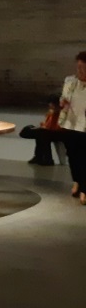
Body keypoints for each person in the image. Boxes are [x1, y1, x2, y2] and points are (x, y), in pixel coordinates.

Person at [58, 52, 86, 205]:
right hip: (70, 124)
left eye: (84, 68)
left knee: (84, 158)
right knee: (73, 156)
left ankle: (84, 189)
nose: (80, 71)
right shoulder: (70, 81)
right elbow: (63, 98)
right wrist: (62, 103)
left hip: (85, 126)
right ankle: (77, 181)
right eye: (78, 67)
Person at [20, 95, 61, 166]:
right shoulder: (52, 112)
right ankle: (42, 157)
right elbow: (47, 124)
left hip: (58, 133)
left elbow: (56, 127)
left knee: (42, 134)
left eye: (51, 104)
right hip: (49, 131)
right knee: (39, 133)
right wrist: (41, 127)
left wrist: (43, 127)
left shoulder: (60, 113)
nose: (50, 105)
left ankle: (45, 158)